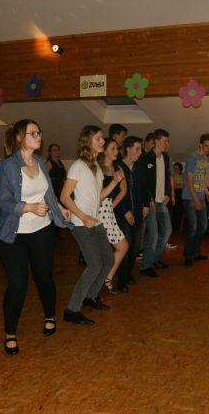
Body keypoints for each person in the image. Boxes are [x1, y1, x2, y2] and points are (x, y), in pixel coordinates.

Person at [0, 119, 73, 355]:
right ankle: (10, 333)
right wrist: (29, 208)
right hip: (14, 235)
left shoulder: (40, 161)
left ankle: (50, 316)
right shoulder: (7, 165)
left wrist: (60, 209)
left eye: (39, 132)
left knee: (44, 278)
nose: (38, 136)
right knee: (17, 285)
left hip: (42, 231)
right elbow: (4, 202)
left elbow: (48, 195)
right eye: (32, 133)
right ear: (20, 138)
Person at [60, 125, 119, 325]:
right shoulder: (78, 166)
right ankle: (71, 309)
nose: (103, 141)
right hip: (81, 223)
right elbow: (64, 197)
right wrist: (83, 217)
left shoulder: (96, 167)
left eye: (102, 138)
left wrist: (114, 183)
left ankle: (90, 296)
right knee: (94, 265)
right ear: (88, 142)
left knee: (108, 259)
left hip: (94, 221)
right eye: (98, 138)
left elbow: (98, 197)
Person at [114, 136, 150, 292]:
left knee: (135, 247)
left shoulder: (141, 167)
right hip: (122, 213)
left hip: (138, 212)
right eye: (137, 149)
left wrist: (146, 204)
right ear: (127, 149)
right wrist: (125, 211)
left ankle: (127, 274)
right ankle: (121, 280)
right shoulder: (117, 166)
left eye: (140, 149)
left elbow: (145, 187)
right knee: (125, 246)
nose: (140, 152)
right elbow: (116, 192)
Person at [97, 138, 129, 294]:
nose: (117, 151)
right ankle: (101, 280)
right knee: (103, 250)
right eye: (113, 148)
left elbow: (124, 189)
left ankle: (107, 277)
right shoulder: (97, 167)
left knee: (123, 246)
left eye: (117, 148)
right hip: (96, 210)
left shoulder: (118, 168)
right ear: (104, 151)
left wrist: (112, 205)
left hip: (108, 210)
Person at [140, 129, 172, 276]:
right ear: (157, 141)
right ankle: (145, 266)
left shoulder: (166, 157)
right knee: (153, 234)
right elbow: (143, 182)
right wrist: (149, 198)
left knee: (167, 230)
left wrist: (167, 193)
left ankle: (155, 259)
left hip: (161, 201)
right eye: (165, 140)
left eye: (167, 141)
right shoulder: (146, 158)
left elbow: (167, 176)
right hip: (151, 202)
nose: (167, 143)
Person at [182, 134, 209, 266]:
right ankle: (188, 256)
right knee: (193, 227)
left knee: (203, 226)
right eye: (206, 146)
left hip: (200, 196)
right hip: (190, 197)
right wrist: (195, 199)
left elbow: (201, 179)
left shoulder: (204, 158)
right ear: (200, 144)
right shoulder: (192, 158)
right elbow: (189, 180)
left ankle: (195, 253)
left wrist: (207, 193)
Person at [170, 162, 184, 230]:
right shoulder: (172, 176)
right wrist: (177, 185)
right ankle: (173, 226)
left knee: (179, 210)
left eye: (176, 168)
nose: (175, 170)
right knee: (173, 210)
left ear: (180, 169)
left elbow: (183, 185)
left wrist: (176, 185)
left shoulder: (183, 176)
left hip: (180, 194)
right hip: (174, 194)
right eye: (174, 168)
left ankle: (177, 227)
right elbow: (171, 186)